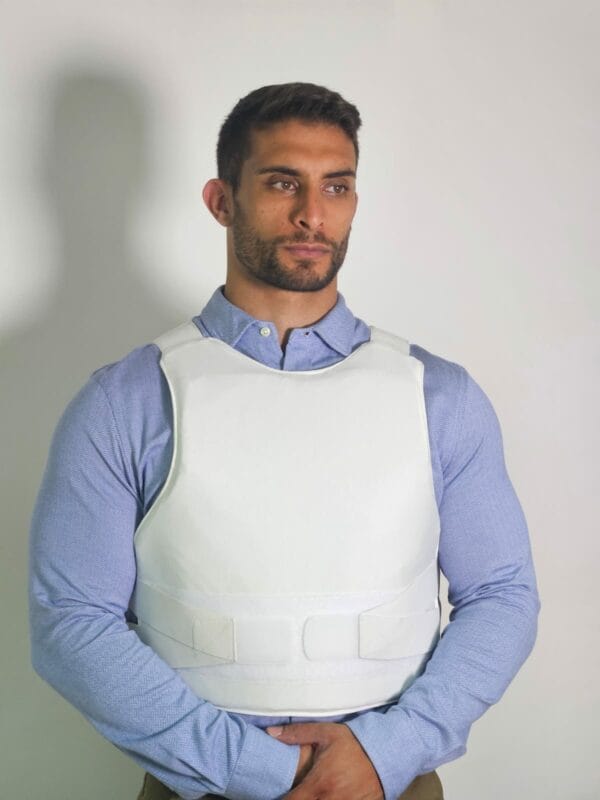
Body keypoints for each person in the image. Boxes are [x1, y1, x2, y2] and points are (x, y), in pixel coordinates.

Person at [29, 82, 539, 800]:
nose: (312, 214)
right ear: (221, 200)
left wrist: (386, 752)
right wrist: (265, 767)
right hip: (204, 785)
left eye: (336, 186)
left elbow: (503, 594)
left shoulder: (440, 397)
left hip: (388, 783)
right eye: (281, 183)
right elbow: (71, 621)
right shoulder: (125, 401)